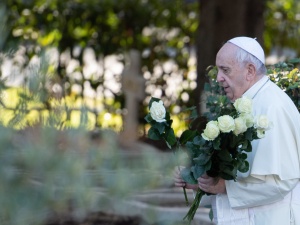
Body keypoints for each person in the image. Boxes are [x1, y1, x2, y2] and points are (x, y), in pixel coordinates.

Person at [174, 36, 300, 225]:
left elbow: (280, 182)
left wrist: (224, 187)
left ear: (250, 71)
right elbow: (235, 177)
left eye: (225, 70)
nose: (218, 78)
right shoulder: (247, 104)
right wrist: (201, 183)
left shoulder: (273, 106)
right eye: (218, 70)